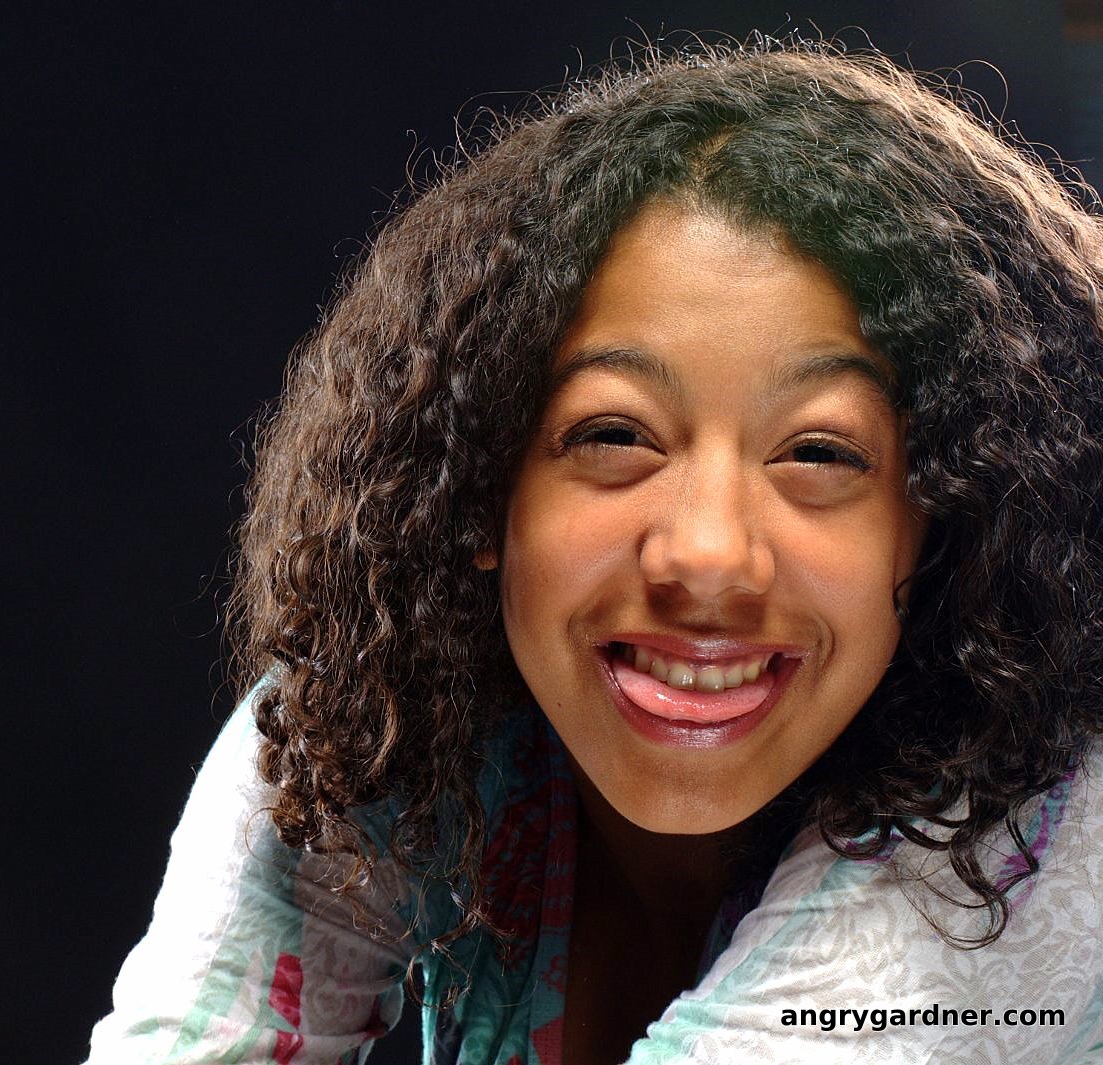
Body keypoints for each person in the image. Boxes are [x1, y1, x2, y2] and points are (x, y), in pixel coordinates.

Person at [83, 36, 1103, 1064]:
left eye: (820, 452)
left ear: (948, 520)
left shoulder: (1032, 821)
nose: (707, 555)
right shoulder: (386, 714)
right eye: (615, 435)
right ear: (478, 488)